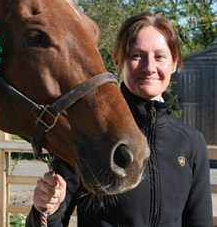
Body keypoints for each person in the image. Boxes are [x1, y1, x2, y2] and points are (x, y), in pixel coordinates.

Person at [25, 12, 213, 227]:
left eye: (160, 56)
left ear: (174, 64)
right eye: (137, 56)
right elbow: (50, 220)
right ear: (118, 60)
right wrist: (46, 209)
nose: (149, 67)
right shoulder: (90, 132)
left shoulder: (190, 142)